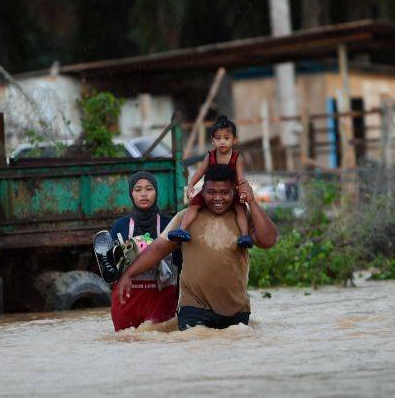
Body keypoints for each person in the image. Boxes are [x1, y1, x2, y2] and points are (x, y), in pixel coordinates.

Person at [118, 163, 278, 330]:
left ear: (234, 192)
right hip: (194, 307)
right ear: (202, 192)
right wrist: (128, 274)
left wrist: (251, 202)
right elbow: (157, 249)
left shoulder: (243, 217)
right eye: (211, 192)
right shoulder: (186, 218)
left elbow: (268, 241)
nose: (218, 198)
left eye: (224, 192)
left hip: (237, 310)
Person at [107, 171, 180, 331]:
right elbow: (110, 270)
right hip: (127, 305)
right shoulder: (120, 227)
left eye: (149, 189)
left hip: (162, 303)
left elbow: (182, 266)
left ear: (156, 192)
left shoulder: (170, 224)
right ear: (131, 194)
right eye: (138, 189)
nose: (144, 194)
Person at [168, 115, 253, 249]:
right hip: (210, 191)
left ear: (234, 140)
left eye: (226, 138)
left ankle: (244, 235)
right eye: (218, 139)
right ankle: (182, 229)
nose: (222, 142)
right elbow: (200, 172)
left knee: (240, 210)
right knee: (193, 205)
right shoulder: (211, 156)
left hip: (231, 190)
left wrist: (242, 192)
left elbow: (241, 178)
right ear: (213, 141)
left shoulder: (237, 158)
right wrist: (191, 185)